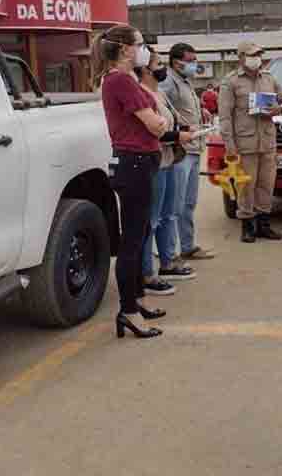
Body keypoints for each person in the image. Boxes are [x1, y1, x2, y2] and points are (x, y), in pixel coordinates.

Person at [93, 25, 168, 339]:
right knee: (133, 240)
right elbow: (155, 126)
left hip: (139, 163)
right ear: (125, 49)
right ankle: (128, 311)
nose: (144, 50)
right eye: (140, 44)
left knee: (141, 232)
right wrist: (160, 121)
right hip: (134, 164)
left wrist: (160, 123)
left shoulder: (126, 79)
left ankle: (137, 300)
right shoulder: (120, 80)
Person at [219, 41, 282, 243]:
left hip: (267, 142)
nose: (257, 58)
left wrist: (280, 109)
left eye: (259, 54)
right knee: (246, 186)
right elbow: (225, 116)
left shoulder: (269, 78)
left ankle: (264, 224)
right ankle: (247, 225)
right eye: (252, 55)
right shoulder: (231, 82)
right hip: (245, 144)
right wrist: (230, 146)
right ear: (241, 57)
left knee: (266, 185)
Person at [136, 51, 195, 296]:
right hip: (156, 161)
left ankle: (167, 262)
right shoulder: (142, 94)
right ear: (145, 69)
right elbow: (155, 130)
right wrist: (178, 135)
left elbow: (170, 123)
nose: (163, 68)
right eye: (159, 64)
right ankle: (147, 273)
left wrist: (183, 130)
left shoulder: (159, 93)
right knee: (152, 219)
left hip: (169, 158)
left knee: (169, 214)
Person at [161, 42, 215, 266]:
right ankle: (169, 253)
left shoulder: (184, 81)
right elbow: (161, 110)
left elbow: (182, 109)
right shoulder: (168, 81)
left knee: (188, 203)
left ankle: (187, 246)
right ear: (176, 62)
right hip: (181, 151)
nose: (195, 64)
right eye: (190, 60)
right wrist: (179, 130)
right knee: (175, 205)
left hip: (194, 148)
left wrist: (201, 111)